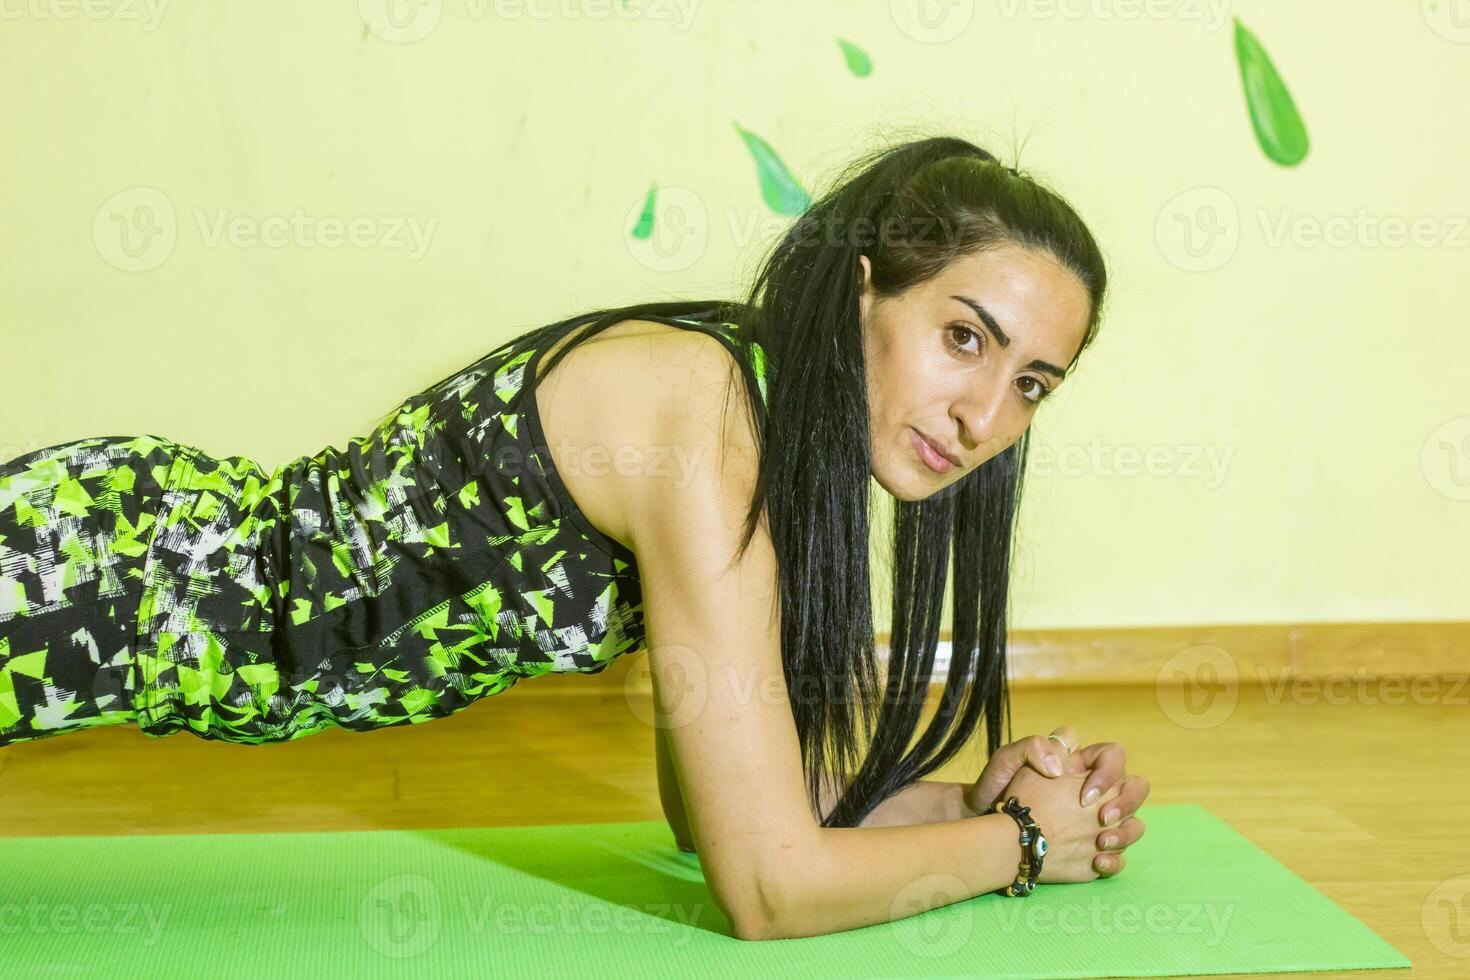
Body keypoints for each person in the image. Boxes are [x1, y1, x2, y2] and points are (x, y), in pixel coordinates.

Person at [0, 135, 1149, 938]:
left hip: (116, 576)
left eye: (1033, 383)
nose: (985, 415)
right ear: (862, 293)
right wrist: (1022, 847)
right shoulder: (707, 420)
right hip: (86, 579)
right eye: (963, 337)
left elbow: (724, 812)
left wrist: (975, 806)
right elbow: (770, 886)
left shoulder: (771, 427)